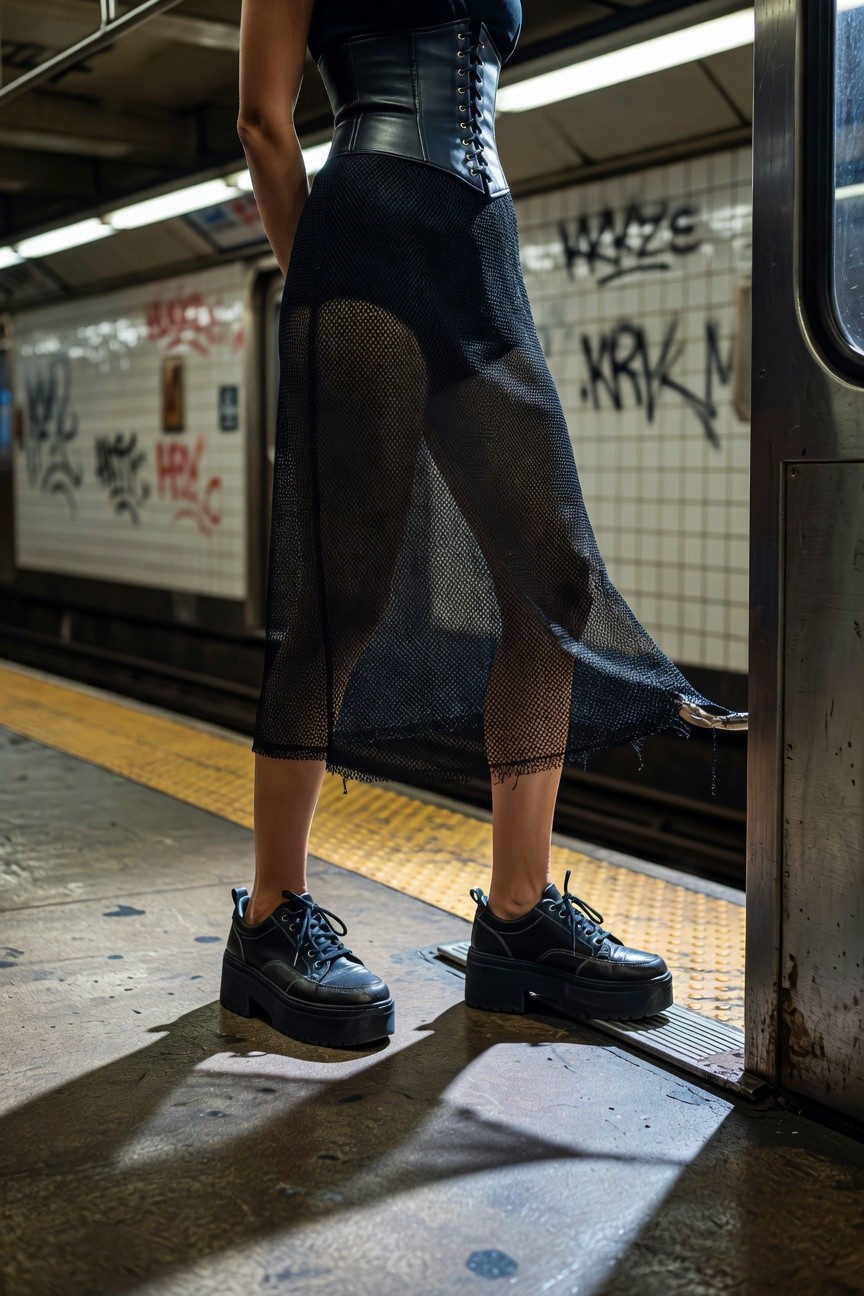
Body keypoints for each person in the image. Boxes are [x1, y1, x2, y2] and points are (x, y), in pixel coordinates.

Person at [219, 0, 746, 1048]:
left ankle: (517, 919)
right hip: (363, 232)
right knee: (347, 590)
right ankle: (273, 917)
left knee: (556, 583)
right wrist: (320, 278)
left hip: (479, 240)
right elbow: (261, 120)